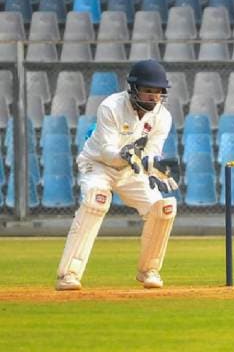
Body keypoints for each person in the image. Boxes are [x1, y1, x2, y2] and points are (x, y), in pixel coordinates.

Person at [55, 60, 180, 291]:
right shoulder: (111, 106)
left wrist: (153, 167)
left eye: (158, 92)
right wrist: (129, 156)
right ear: (133, 88)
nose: (153, 97)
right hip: (99, 165)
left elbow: (152, 151)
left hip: (131, 172)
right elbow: (107, 152)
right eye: (148, 90)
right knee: (96, 201)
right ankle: (68, 274)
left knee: (164, 208)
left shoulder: (163, 116)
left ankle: (149, 270)